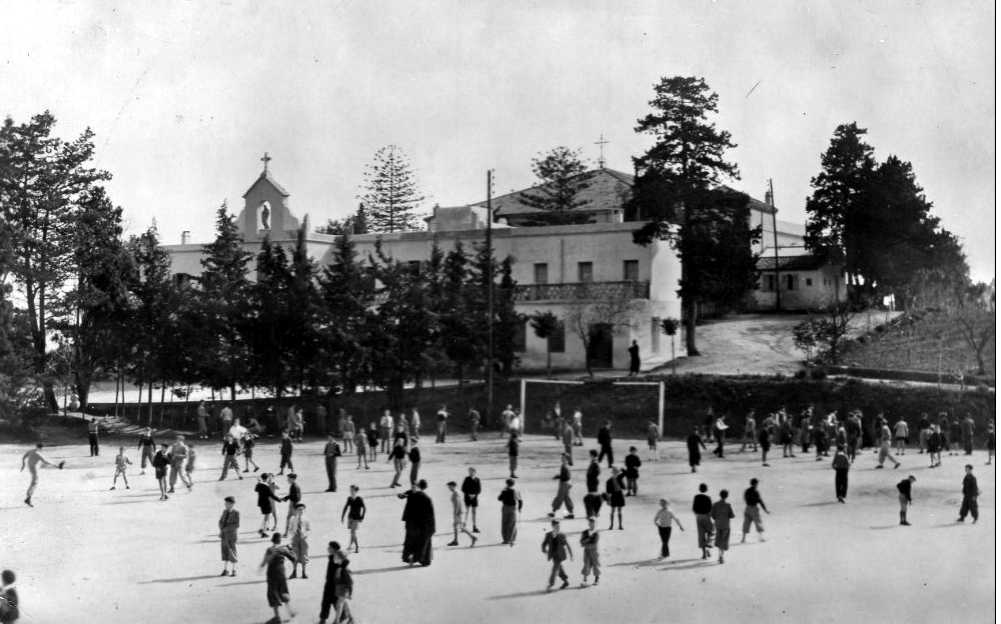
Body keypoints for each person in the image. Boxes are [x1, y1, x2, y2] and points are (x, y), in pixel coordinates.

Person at [260, 532, 297, 624]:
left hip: (272, 574)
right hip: (281, 573)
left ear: (272, 540)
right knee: (283, 591)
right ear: (280, 540)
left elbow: (264, 562)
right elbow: (294, 558)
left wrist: (261, 567)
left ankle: (277, 617)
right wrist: (291, 550)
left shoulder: (270, 549)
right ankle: (290, 612)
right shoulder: (283, 549)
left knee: (273, 594)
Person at [400, 479, 436, 566]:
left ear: (419, 487)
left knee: (414, 541)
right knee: (423, 542)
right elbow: (430, 514)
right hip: (422, 524)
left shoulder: (414, 496)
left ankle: (415, 558)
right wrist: (432, 527)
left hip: (415, 524)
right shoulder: (423, 497)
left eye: (415, 486)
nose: (413, 487)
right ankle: (423, 560)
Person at [318, 541, 353, 624]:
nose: (328, 549)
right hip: (329, 583)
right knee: (326, 602)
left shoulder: (338, 557)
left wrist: (341, 567)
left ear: (334, 549)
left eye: (329, 547)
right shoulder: (331, 557)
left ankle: (342, 618)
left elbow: (346, 561)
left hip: (336, 584)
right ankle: (323, 619)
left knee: (337, 602)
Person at [20, 443, 64, 507]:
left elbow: (24, 456)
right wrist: (56, 466)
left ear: (36, 446)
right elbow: (45, 461)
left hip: (30, 468)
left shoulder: (31, 451)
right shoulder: (38, 454)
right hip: (34, 470)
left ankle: (28, 498)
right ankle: (28, 498)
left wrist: (23, 464)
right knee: (34, 483)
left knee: (34, 482)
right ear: (41, 448)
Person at [541, 519, 573, 591]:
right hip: (553, 555)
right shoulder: (548, 535)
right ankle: (566, 581)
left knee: (555, 569)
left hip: (560, 555)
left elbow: (568, 545)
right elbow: (544, 543)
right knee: (559, 568)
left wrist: (571, 555)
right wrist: (544, 550)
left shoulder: (562, 535)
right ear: (552, 526)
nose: (558, 527)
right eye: (556, 526)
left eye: (559, 526)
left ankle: (550, 584)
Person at [447, 481, 478, 547]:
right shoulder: (457, 492)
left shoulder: (456, 493)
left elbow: (458, 503)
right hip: (459, 512)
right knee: (455, 526)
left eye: (449, 486)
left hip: (458, 512)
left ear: (453, 486)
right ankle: (455, 540)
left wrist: (456, 513)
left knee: (461, 527)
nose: (449, 488)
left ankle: (473, 537)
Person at [740, 478, 769, 543]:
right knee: (758, 522)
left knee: (746, 523)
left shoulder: (747, 491)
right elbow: (760, 501)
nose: (757, 485)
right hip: (754, 508)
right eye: (757, 483)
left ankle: (743, 539)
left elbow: (745, 499)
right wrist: (765, 510)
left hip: (747, 508)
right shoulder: (756, 492)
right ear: (755, 484)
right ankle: (761, 538)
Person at [710, 490, 735, 564]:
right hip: (726, 525)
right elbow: (732, 515)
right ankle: (721, 556)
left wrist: (717, 518)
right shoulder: (728, 505)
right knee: (724, 541)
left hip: (718, 524)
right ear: (727, 496)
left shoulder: (715, 504)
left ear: (720, 495)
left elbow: (712, 515)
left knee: (719, 540)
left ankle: (719, 556)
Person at [255, 473, 283, 537]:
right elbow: (272, 495)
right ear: (267, 478)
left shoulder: (259, 485)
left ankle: (261, 529)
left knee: (266, 517)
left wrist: (258, 482)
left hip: (261, 503)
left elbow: (255, 490)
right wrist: (279, 500)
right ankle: (263, 532)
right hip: (266, 503)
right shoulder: (266, 486)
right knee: (267, 518)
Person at [218, 496, 240, 577]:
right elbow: (220, 521)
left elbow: (236, 525)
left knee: (232, 552)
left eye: (227, 503)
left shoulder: (236, 513)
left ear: (232, 504)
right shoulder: (224, 512)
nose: (225, 505)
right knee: (225, 552)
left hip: (231, 535)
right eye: (225, 503)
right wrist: (221, 528)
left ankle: (234, 570)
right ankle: (225, 569)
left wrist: (225, 529)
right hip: (224, 535)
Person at [548, 454, 575, 519]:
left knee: (559, 498)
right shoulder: (565, 466)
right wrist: (559, 476)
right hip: (566, 484)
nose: (562, 459)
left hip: (564, 484)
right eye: (562, 458)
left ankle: (553, 512)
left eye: (564, 458)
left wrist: (558, 477)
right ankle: (571, 513)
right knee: (566, 498)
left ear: (567, 459)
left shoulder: (564, 466)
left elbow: (566, 477)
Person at [287, 503, 310, 579]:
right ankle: (294, 572)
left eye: (302, 509)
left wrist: (305, 535)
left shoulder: (306, 519)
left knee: (304, 555)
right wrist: (293, 535)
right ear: (296, 510)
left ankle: (304, 572)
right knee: (295, 556)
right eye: (299, 510)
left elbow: (308, 529)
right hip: (295, 538)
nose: (301, 511)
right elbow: (290, 529)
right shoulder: (293, 519)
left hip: (303, 538)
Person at [341, 485, 366, 553]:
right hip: (350, 517)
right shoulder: (349, 498)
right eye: (350, 490)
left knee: (353, 532)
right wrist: (342, 516)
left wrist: (362, 517)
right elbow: (346, 507)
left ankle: (357, 547)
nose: (351, 492)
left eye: (352, 490)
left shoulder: (359, 499)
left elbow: (364, 508)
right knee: (352, 532)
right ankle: (350, 545)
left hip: (356, 518)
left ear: (355, 491)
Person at [692, 483, 713, 560]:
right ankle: (708, 546)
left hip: (698, 517)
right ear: (706, 489)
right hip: (706, 517)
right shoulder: (708, 497)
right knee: (711, 532)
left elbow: (693, 508)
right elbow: (711, 509)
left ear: (699, 489)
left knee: (701, 535)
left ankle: (704, 554)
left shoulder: (696, 497)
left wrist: (697, 515)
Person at [498, 478, 523, 545]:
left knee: (504, 523)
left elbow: (499, 498)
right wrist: (520, 508)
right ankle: (511, 539)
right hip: (512, 508)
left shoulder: (504, 490)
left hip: (505, 507)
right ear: (513, 484)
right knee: (512, 524)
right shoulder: (516, 491)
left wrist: (503, 491)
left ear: (506, 484)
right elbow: (520, 501)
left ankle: (505, 539)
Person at [579, 517, 600, 586]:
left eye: (593, 523)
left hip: (594, 552)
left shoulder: (596, 533)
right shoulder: (585, 532)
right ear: (588, 523)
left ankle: (596, 579)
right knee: (586, 565)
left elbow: (594, 543)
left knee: (595, 565)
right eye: (590, 522)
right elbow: (581, 542)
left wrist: (586, 542)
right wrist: (588, 540)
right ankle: (584, 580)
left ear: (595, 524)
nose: (591, 524)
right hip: (587, 552)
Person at [461, 467, 482, 533]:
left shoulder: (477, 479)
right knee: (466, 512)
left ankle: (474, 526)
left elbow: (479, 489)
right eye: (469, 472)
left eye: (471, 471)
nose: (470, 473)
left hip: (474, 498)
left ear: (475, 472)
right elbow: (463, 488)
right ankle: (464, 526)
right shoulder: (466, 479)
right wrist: (469, 494)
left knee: (474, 512)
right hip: (467, 497)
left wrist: (474, 494)